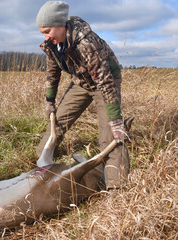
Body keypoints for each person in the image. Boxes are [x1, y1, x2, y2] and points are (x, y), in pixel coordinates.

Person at [35, 1, 130, 191]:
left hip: (104, 84)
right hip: (81, 81)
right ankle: (43, 168)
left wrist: (116, 120)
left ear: (60, 24)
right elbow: (53, 73)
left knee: (110, 136)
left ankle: (116, 187)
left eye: (48, 31)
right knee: (58, 123)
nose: (46, 37)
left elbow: (106, 82)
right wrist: (50, 101)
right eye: (42, 33)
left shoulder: (87, 43)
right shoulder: (52, 45)